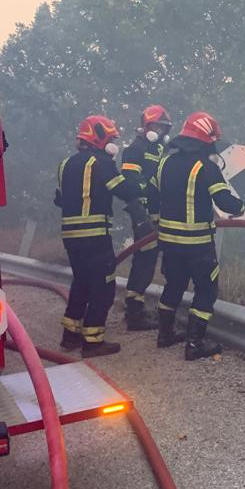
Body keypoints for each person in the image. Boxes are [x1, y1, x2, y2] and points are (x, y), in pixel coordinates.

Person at [55, 115, 152, 357]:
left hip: (70, 235)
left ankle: (70, 335)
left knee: (81, 281)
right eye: (111, 139)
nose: (113, 145)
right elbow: (124, 190)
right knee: (103, 286)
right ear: (98, 138)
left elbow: (62, 199)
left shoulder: (66, 163)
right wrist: (143, 185)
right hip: (95, 235)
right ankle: (93, 341)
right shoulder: (101, 162)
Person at [154, 111, 244, 360]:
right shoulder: (206, 167)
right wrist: (240, 207)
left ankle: (164, 334)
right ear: (207, 140)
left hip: (169, 242)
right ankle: (194, 344)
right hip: (197, 245)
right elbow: (224, 202)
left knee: (174, 285)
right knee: (206, 290)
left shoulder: (164, 163)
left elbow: (153, 195)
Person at [119, 105, 173, 330]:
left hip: (159, 213)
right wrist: (141, 215)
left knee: (152, 260)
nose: (161, 131)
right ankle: (134, 313)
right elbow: (131, 182)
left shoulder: (160, 148)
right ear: (147, 126)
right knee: (144, 260)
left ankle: (137, 308)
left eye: (164, 128)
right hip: (143, 214)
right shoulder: (136, 149)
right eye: (158, 126)